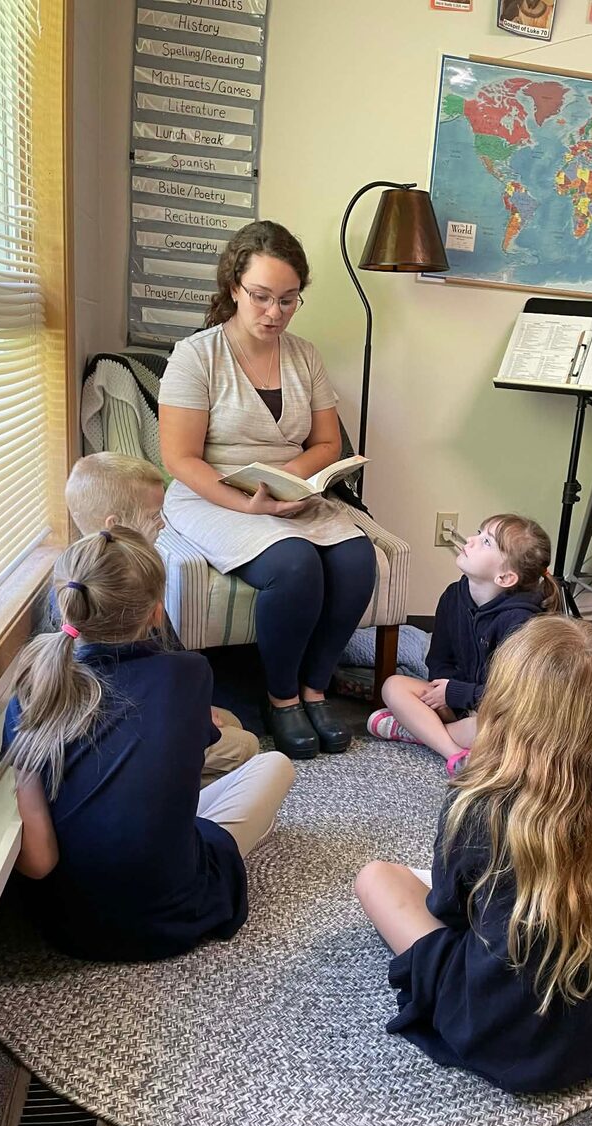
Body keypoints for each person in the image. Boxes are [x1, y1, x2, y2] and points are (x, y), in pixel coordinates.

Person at [355, 617, 592, 1094]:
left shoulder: (476, 805)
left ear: (503, 713)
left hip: (506, 1029)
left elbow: (447, 910)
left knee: (376, 878)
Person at [0, 527, 294, 962]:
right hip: (171, 916)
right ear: (157, 613)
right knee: (275, 765)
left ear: (67, 605)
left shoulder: (28, 698)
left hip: (71, 929)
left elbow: (39, 863)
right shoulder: (190, 673)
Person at [158, 221, 376, 761]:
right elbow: (179, 458)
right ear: (234, 286)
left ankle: (315, 690)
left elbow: (327, 440)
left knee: (356, 559)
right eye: (261, 297)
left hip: (289, 488)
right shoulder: (195, 356)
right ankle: (281, 699)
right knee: (295, 564)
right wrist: (249, 500)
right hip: (213, 494)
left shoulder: (305, 356)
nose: (273, 312)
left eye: (288, 300)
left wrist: (293, 480)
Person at [64, 451, 259, 782]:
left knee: (232, 721)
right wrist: (190, 712)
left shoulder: (73, 573)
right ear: (116, 525)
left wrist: (195, 708)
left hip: (144, 713)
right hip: (130, 730)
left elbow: (169, 652)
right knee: (246, 746)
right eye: (155, 515)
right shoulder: (128, 587)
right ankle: (170, 794)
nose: (163, 524)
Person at [367, 514, 556, 775]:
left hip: (499, 710)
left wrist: (455, 693)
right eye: (479, 532)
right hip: (457, 703)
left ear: (505, 578)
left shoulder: (521, 621)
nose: (471, 540)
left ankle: (417, 730)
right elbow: (439, 659)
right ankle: (454, 752)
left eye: (487, 542)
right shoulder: (452, 597)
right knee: (393, 685)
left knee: (493, 730)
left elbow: (513, 696)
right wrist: (441, 697)